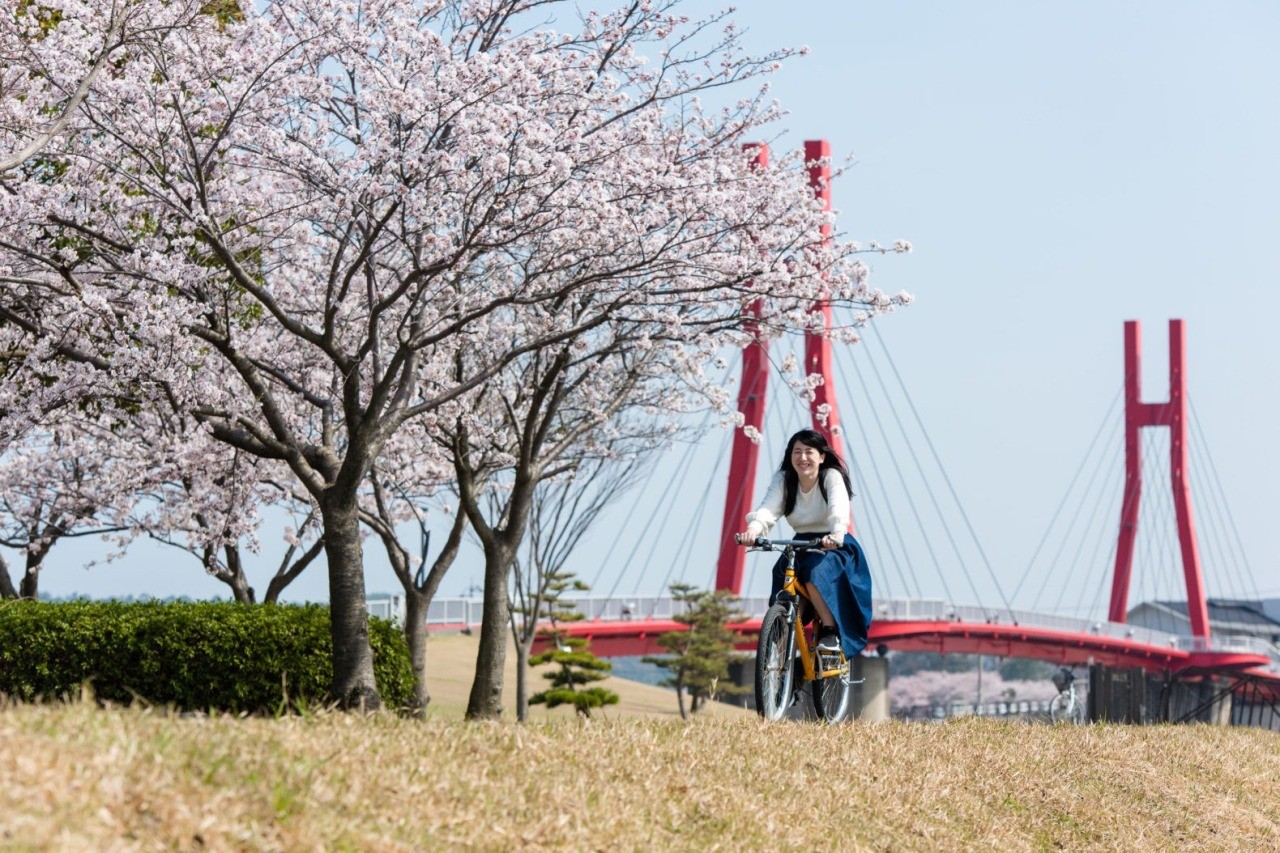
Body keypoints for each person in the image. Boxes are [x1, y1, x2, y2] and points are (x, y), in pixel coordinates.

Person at [735, 428, 873, 657]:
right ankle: (786, 650)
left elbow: (839, 509)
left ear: (821, 456)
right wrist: (752, 530)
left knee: (813, 575)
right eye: (796, 452)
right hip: (801, 542)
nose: (803, 458)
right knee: (782, 575)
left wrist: (837, 534)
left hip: (833, 543)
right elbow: (768, 509)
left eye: (809, 452)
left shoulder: (830, 477)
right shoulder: (784, 479)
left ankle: (829, 631)